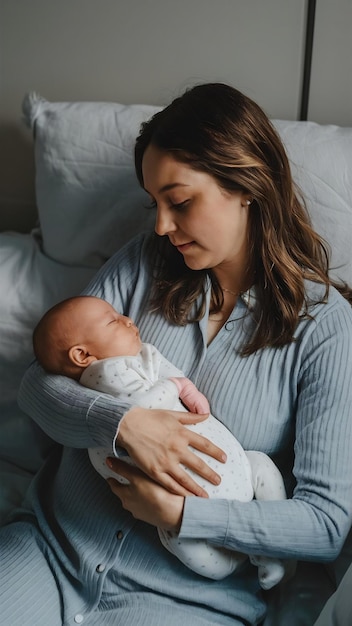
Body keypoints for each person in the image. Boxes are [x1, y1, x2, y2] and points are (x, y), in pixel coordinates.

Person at [1, 82, 352, 626]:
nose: (161, 226)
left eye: (180, 202)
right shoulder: (143, 263)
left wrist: (189, 516)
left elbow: (326, 525)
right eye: (155, 205)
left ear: (247, 185)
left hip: (187, 601)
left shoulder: (325, 329)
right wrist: (125, 424)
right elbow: (37, 385)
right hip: (50, 550)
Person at [32, 293, 289, 589]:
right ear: (82, 356)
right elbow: (142, 409)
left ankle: (264, 553)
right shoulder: (104, 375)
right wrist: (173, 387)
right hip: (183, 496)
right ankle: (255, 558)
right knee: (190, 529)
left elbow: (174, 376)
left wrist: (186, 388)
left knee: (258, 464)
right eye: (114, 320)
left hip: (225, 471)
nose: (129, 320)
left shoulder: (144, 355)